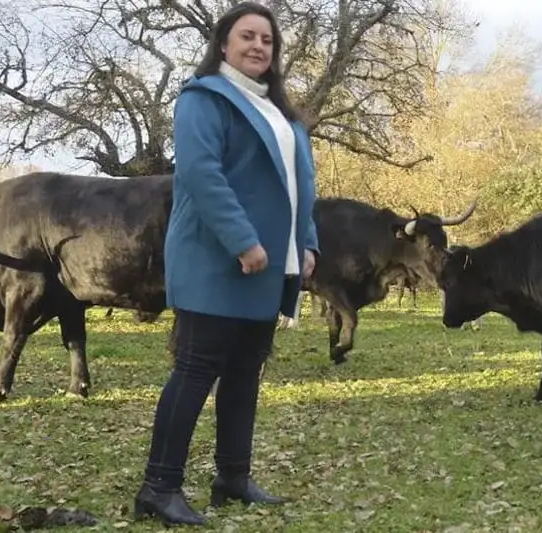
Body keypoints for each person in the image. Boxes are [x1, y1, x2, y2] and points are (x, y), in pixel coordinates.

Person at [132, 2, 319, 526]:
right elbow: (201, 174)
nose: (259, 46)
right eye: (248, 36)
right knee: (194, 373)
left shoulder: (280, 112)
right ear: (223, 44)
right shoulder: (203, 99)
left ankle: (232, 477)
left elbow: (301, 186)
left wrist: (307, 242)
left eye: (268, 39)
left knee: (243, 374)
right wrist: (242, 240)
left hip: (268, 268)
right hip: (218, 261)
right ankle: (158, 487)